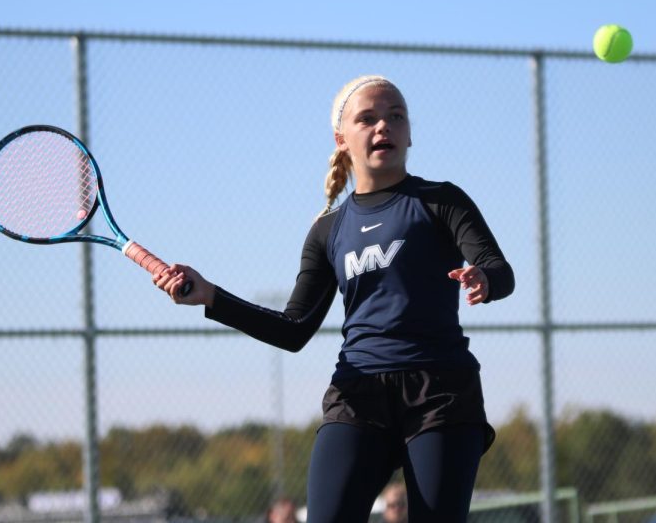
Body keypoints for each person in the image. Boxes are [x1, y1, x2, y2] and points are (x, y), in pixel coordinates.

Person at [154, 75, 514, 523]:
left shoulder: (441, 200)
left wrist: (484, 278)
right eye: (368, 118)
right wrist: (211, 297)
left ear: (409, 133)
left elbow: (501, 271)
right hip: (357, 395)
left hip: (440, 392)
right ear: (342, 138)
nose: (384, 126)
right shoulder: (328, 230)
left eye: (395, 117)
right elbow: (293, 329)